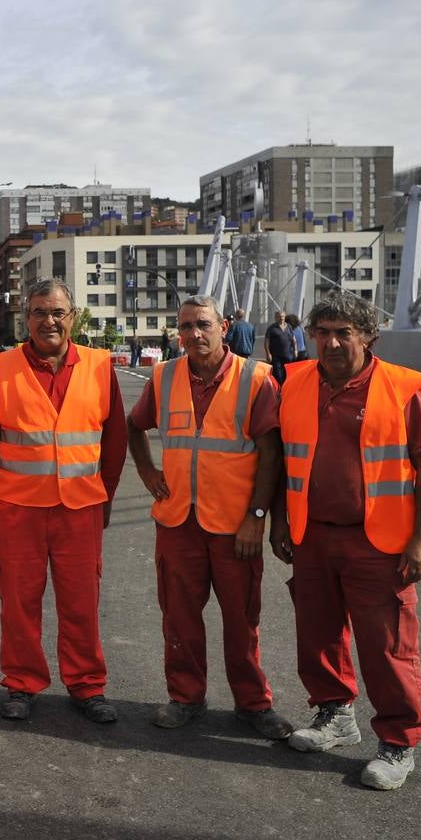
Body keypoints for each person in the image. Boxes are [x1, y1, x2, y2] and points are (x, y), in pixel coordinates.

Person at [273, 292, 421, 791]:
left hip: (380, 542)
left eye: (343, 332)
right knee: (318, 634)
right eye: (321, 332)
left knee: (387, 646)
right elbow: (288, 460)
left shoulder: (401, 389)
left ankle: (398, 742)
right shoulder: (297, 382)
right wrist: (280, 521)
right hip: (314, 536)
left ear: (368, 337)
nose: (330, 342)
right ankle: (335, 715)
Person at [126, 296, 292, 739]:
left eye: (202, 325)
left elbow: (272, 453)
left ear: (223, 326)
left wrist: (258, 517)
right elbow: (133, 424)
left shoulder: (255, 378)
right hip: (179, 521)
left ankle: (253, 704)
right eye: (185, 327)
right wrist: (146, 470)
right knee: (179, 616)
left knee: (242, 619)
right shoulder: (163, 376)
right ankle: (185, 697)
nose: (193, 335)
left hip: (235, 524)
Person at [0, 278, 127, 722]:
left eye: (57, 312)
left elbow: (114, 439)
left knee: (81, 602)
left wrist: (107, 495)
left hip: (80, 509)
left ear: (72, 316)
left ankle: (86, 686)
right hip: (18, 509)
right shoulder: (1, 369)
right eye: (39, 312)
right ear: (26, 319)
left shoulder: (99, 366)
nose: (49, 321)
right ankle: (22, 683)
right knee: (19, 602)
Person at [264, 310, 293, 385]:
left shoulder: (289, 327)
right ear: (276, 318)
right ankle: (279, 390)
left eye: (283, 316)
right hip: (276, 356)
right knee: (278, 374)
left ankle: (285, 388)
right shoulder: (271, 328)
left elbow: (294, 339)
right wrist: (268, 353)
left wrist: (295, 350)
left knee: (288, 374)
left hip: (288, 355)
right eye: (279, 316)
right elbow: (267, 341)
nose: (281, 318)